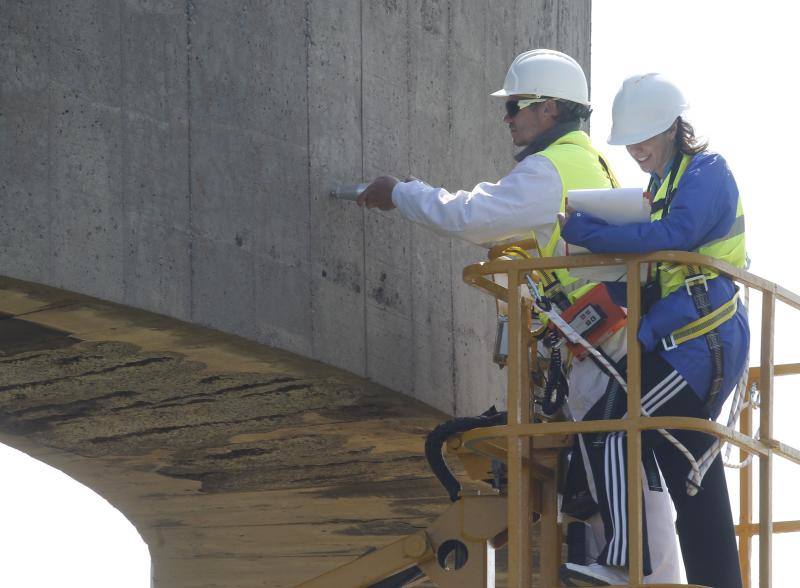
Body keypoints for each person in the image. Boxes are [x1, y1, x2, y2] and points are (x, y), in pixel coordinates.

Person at [357, 50, 681, 584]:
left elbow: (471, 215)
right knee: (608, 465)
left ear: (547, 108)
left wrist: (401, 193)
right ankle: (632, 570)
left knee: (616, 458)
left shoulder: (548, 171)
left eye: (514, 106)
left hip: (600, 344)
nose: (507, 117)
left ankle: (643, 574)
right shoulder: (583, 160)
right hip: (605, 338)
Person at [559, 73, 748, 587]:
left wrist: (591, 232)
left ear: (671, 127)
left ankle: (626, 561)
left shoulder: (707, 170)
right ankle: (716, 580)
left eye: (644, 136)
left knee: (618, 420)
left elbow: (675, 236)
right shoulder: (660, 185)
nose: (636, 148)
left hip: (702, 340)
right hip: (683, 338)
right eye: (630, 140)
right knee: (692, 475)